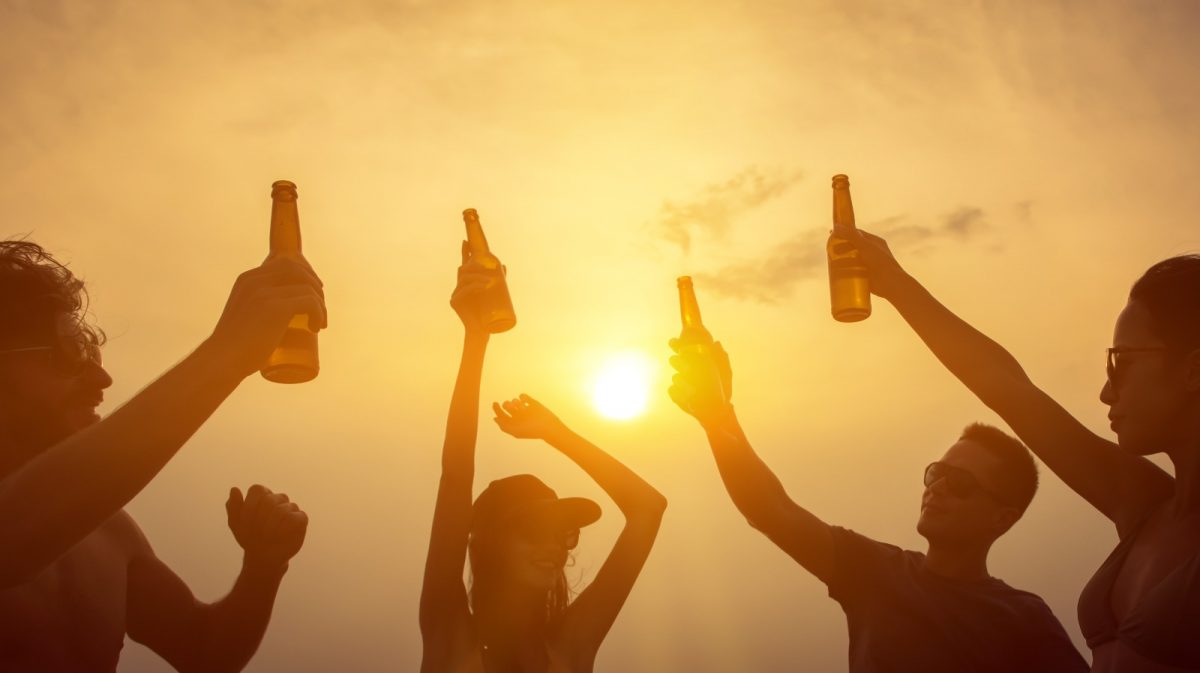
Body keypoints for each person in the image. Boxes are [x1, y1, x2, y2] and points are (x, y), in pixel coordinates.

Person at [852, 232, 1200, 672]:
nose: (1106, 392)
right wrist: (894, 283)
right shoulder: (1144, 502)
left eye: (1122, 364)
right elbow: (1007, 387)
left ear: (1194, 369)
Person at [668, 331, 1088, 672]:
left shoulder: (1023, 620)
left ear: (1002, 517)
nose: (937, 487)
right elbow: (769, 509)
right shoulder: (875, 572)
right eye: (935, 473)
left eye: (959, 483)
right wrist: (719, 416)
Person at [0, 240, 324, 671]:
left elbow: (204, 651)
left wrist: (263, 567)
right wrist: (229, 352)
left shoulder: (110, 533)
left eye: (91, 350)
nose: (102, 376)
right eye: (69, 352)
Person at [420, 243, 666, 673]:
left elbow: (649, 508)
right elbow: (456, 477)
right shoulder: (450, 636)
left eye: (562, 533)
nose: (554, 547)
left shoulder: (569, 648)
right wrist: (475, 339)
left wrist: (558, 433)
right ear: (491, 541)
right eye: (534, 531)